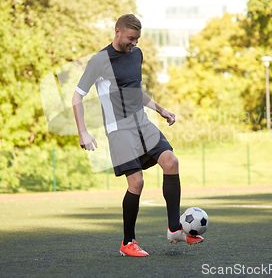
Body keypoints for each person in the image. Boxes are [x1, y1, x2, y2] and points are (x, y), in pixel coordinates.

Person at [72, 14, 203, 257]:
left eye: (138, 39)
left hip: (142, 122)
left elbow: (135, 91)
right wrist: (83, 132)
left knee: (171, 162)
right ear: (117, 32)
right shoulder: (99, 61)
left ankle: (174, 228)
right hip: (118, 129)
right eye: (131, 38)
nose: (134, 43)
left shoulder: (137, 54)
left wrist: (161, 110)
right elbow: (77, 96)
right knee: (137, 182)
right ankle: (127, 242)